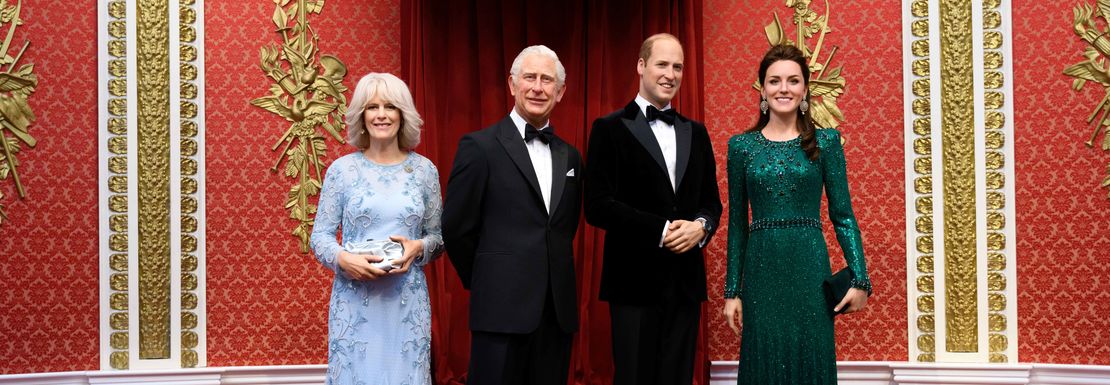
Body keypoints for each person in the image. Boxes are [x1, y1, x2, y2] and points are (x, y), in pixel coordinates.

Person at [722, 44, 872, 385]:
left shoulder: (827, 142)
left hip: (809, 268)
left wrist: (861, 280)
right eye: (774, 81)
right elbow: (736, 226)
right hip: (761, 272)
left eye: (793, 80)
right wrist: (733, 291)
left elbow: (843, 215)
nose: (783, 88)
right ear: (762, 89)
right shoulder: (741, 147)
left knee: (811, 360)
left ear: (805, 89)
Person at [584, 33, 722, 385]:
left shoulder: (697, 132)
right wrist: (661, 229)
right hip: (633, 282)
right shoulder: (608, 128)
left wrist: (701, 226)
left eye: (677, 67)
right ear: (641, 66)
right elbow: (597, 206)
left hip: (685, 283)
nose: (670, 74)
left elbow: (712, 202)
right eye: (662, 64)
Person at [442, 45, 583, 385]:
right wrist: (489, 280)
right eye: (530, 77)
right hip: (499, 312)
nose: (538, 87)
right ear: (512, 85)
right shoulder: (479, 147)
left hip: (556, 314)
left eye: (547, 80)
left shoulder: (572, 156)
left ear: (560, 91)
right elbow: (456, 228)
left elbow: (564, 229)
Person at [309, 72, 444, 385]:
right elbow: (321, 237)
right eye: (372, 107)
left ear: (402, 114)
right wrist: (343, 260)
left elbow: (439, 238)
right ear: (361, 115)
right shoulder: (341, 171)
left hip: (407, 302)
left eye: (390, 106)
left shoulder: (424, 171)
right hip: (355, 301)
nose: (381, 114)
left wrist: (419, 248)